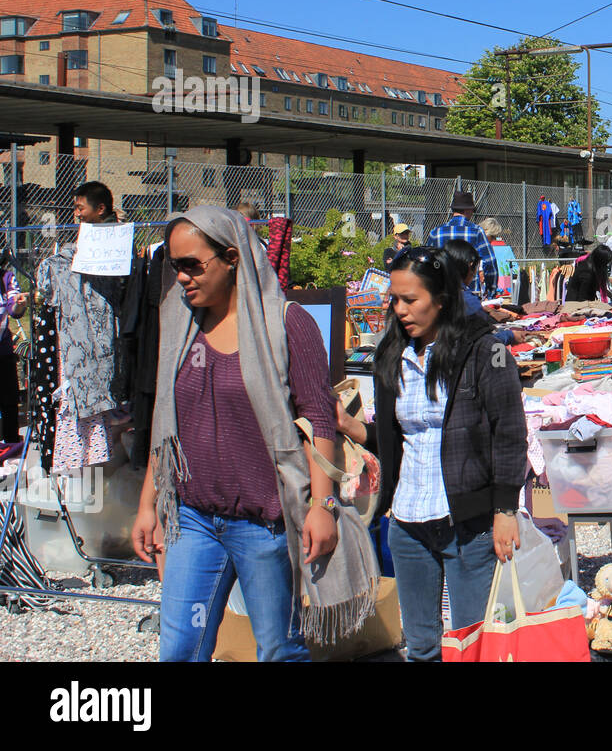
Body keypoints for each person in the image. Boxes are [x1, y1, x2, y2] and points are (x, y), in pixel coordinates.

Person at [133, 206, 378, 662]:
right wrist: (149, 504)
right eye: (176, 266)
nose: (182, 278)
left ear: (232, 258)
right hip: (193, 519)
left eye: (193, 265)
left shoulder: (286, 324)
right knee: (180, 648)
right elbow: (167, 426)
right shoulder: (181, 324)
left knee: (278, 650)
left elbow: (319, 419)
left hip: (264, 524)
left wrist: (322, 506)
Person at [333, 245, 526, 661]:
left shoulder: (485, 351)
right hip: (407, 521)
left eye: (410, 300)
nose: (400, 310)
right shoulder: (393, 355)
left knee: (473, 643)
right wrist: (358, 431)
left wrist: (505, 510)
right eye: (394, 300)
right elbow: (400, 433)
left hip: (466, 522)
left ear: (440, 299)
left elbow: (509, 432)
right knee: (421, 645)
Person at [427, 191, 499, 298]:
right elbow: (490, 263)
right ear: (467, 210)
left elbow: (428, 264)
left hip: (442, 294)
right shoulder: (476, 231)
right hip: (469, 293)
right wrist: (491, 291)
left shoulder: (435, 233)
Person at [0, 254, 27, 445]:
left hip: (3, 350)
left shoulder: (6, 277)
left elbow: (14, 309)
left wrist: (18, 304)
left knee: (9, 400)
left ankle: (10, 447)